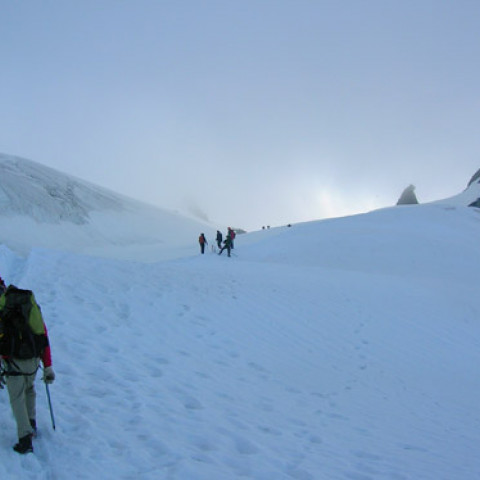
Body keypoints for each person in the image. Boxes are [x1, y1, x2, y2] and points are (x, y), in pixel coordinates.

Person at [0, 285, 55, 454]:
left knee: (17, 398)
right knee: (29, 390)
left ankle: (25, 439)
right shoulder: (30, 306)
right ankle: (31, 424)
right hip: (33, 359)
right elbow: (43, 335)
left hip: (13, 361)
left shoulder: (3, 308)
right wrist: (47, 366)